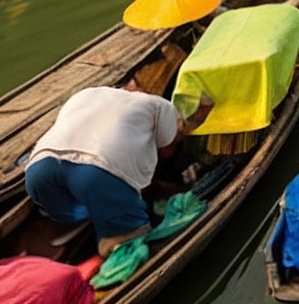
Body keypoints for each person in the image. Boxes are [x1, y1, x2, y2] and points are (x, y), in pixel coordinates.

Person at [26, 83, 214, 257]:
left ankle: (78, 223)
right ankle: (115, 244)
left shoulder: (88, 93)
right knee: (130, 241)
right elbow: (167, 148)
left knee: (77, 211)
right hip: (95, 174)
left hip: (37, 170)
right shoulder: (158, 104)